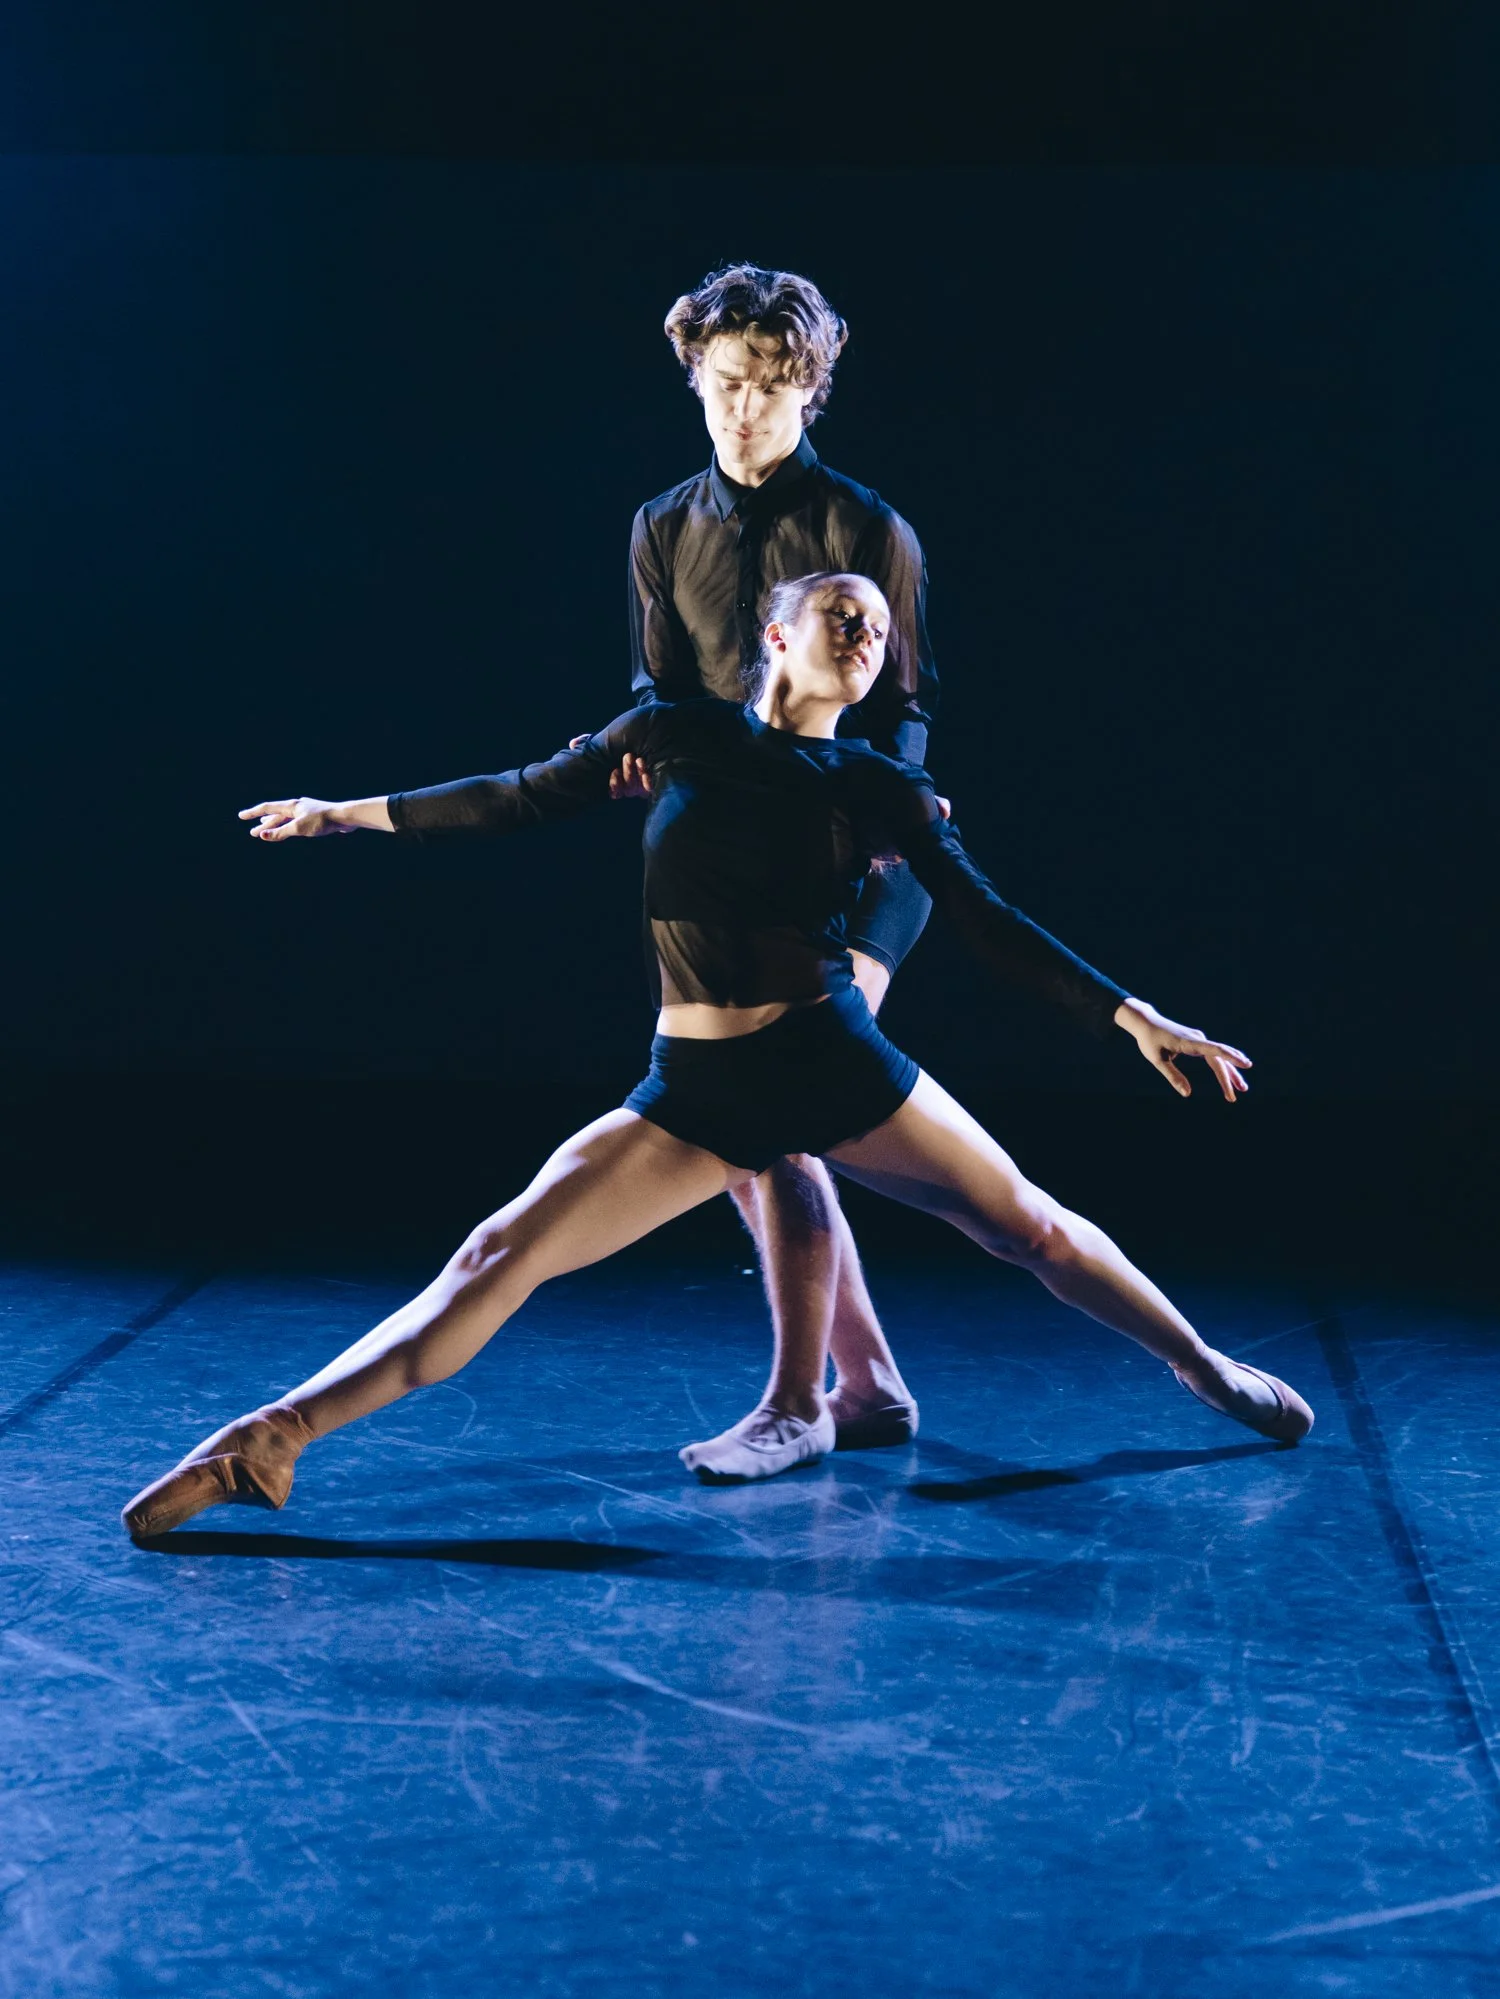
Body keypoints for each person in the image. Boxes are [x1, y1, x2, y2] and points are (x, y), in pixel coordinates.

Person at [120, 571, 1312, 1541]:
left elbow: (986, 917)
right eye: (841, 614)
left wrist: (1132, 1014)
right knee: (497, 1252)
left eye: (879, 629)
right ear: (776, 635)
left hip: (828, 1058)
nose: (866, 635)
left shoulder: (881, 784)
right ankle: (268, 1442)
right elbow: (513, 796)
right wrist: (348, 811)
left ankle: (1201, 1366)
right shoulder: (674, 735)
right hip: (695, 1087)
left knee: (1029, 1229)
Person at [615, 262, 940, 1459]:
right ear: (695, 378)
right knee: (760, 1117)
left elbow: (906, 708)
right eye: (725, 382)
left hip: (861, 856)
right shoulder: (662, 525)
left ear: (810, 389)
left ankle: (804, 1401)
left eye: (770, 385)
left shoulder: (867, 527)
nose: (745, 408)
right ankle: (867, 1384)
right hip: (727, 859)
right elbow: (660, 691)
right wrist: (642, 761)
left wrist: (881, 820)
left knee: (776, 1109)